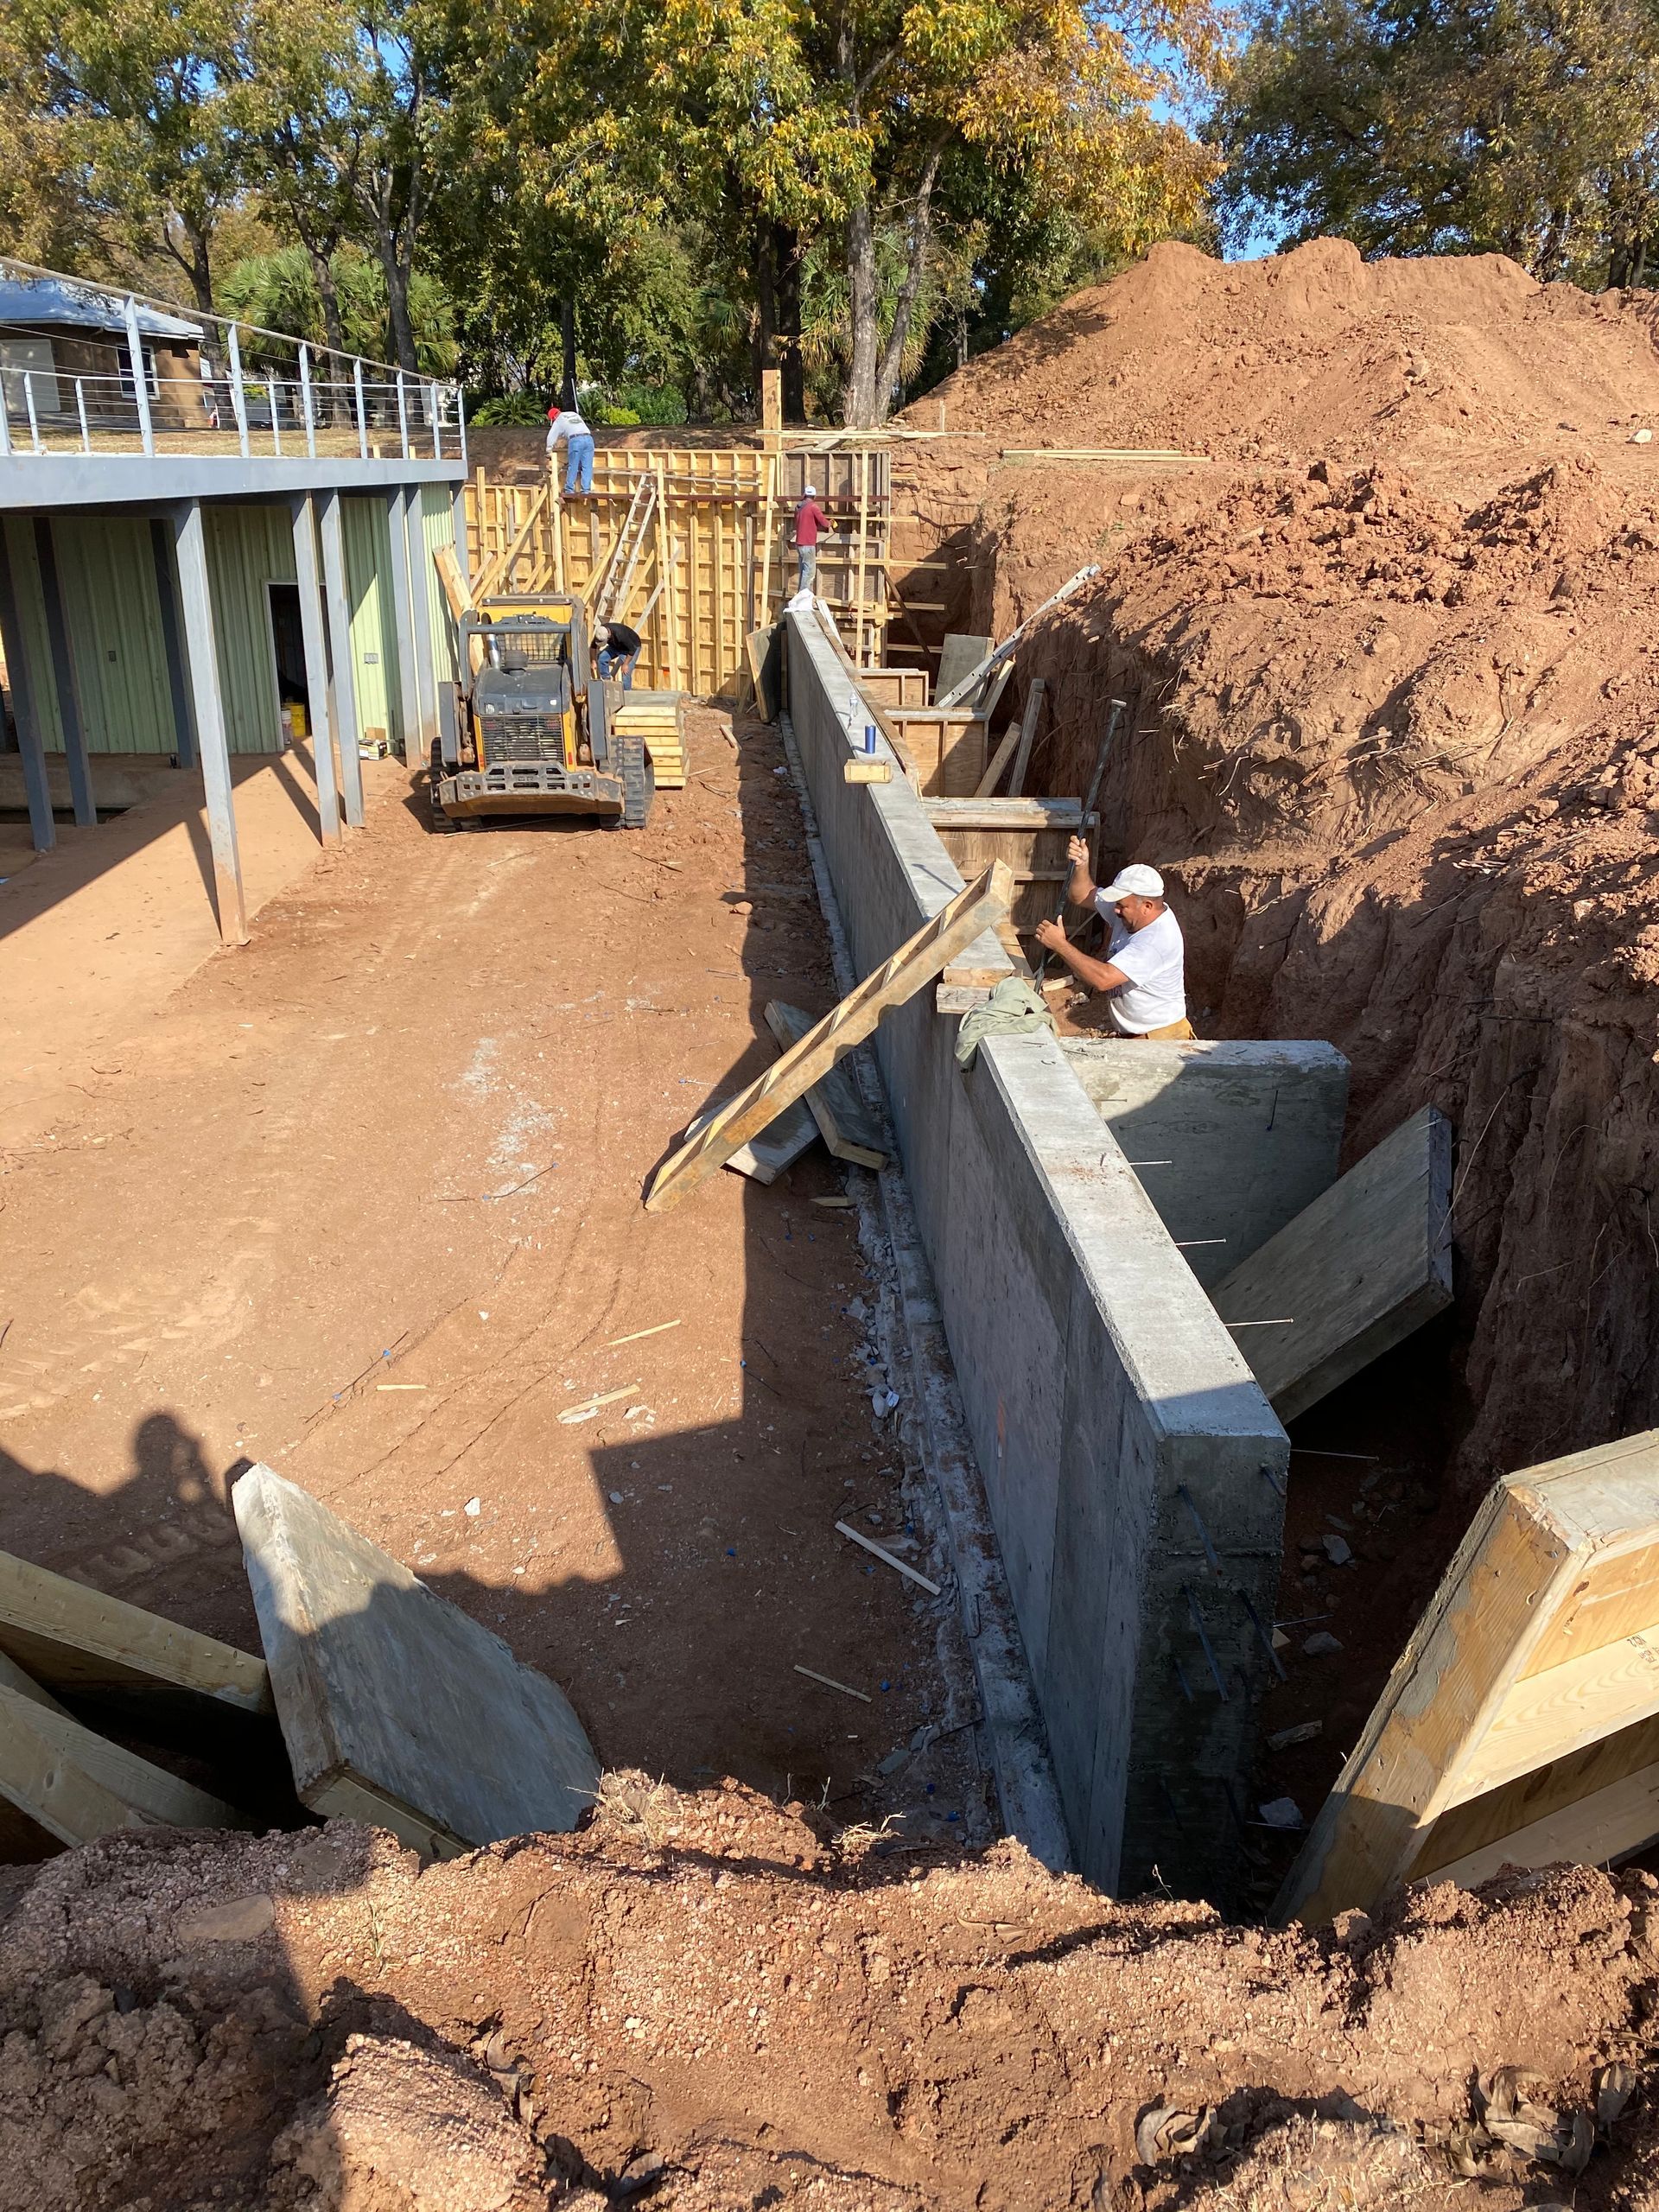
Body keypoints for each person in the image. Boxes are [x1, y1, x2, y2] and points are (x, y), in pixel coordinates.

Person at [1033, 854, 1194, 1040]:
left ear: (1147, 906)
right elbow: (1081, 895)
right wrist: (1082, 864)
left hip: (1159, 1037)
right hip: (1138, 1033)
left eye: (1121, 906)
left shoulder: (1156, 940)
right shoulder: (1133, 912)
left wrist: (1060, 945)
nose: (1115, 910)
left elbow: (1104, 979)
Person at [791, 482, 836, 594]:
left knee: (803, 571)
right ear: (814, 497)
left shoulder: (798, 507)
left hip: (799, 544)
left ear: (804, 495)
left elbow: (798, 523)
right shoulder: (813, 507)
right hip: (808, 544)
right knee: (810, 572)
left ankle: (802, 595)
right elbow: (824, 523)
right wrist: (831, 523)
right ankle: (802, 596)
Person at [546, 400, 594, 496]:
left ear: (553, 418)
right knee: (587, 466)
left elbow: (551, 436)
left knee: (573, 466)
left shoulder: (558, 420)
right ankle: (586, 490)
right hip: (589, 439)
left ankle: (569, 489)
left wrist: (549, 449)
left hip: (576, 440)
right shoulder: (573, 414)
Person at [595, 618, 642, 690]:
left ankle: (626, 695)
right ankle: (607, 681)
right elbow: (593, 647)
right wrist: (593, 661)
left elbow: (632, 650)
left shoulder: (620, 634)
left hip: (631, 647)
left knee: (626, 672)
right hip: (616, 646)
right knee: (602, 658)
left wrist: (626, 664)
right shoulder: (601, 632)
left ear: (608, 636)